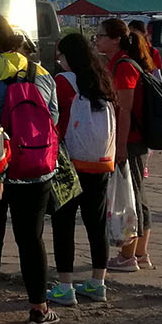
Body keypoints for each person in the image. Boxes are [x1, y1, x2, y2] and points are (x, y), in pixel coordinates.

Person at [0, 15, 60, 324]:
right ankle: (38, 309)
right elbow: (52, 118)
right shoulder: (41, 74)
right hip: (36, 170)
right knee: (31, 238)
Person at [49, 32, 116, 307]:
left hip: (69, 161)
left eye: (61, 56)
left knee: (63, 223)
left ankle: (65, 286)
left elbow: (56, 120)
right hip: (100, 161)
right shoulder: (102, 80)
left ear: (68, 57)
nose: (59, 61)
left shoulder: (62, 82)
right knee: (96, 223)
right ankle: (97, 283)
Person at [97, 18, 155, 272]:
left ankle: (128, 256)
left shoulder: (123, 67)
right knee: (137, 195)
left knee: (131, 197)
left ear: (116, 39)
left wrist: (119, 147)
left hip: (130, 141)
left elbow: (125, 111)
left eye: (100, 36)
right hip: (132, 140)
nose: (96, 40)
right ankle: (139, 253)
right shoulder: (121, 63)